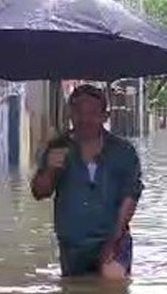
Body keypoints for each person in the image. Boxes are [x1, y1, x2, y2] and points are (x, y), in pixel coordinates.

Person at [31, 84, 143, 280]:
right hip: (73, 245)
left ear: (104, 116)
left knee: (112, 282)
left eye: (92, 113)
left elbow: (130, 196)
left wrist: (114, 240)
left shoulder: (123, 151)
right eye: (79, 112)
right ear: (70, 114)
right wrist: (49, 170)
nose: (85, 119)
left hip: (113, 238)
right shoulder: (57, 147)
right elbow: (40, 193)